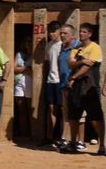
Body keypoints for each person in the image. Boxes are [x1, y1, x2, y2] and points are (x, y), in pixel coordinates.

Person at [62, 24, 105, 155]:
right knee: (74, 115)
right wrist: (81, 62)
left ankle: (102, 145)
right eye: (80, 32)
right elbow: (70, 64)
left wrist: (74, 77)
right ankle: (73, 143)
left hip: (89, 86)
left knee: (96, 116)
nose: (81, 34)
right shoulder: (77, 48)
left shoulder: (95, 47)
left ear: (90, 34)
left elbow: (89, 66)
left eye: (84, 32)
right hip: (76, 87)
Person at [41, 23, 72, 147]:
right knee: (51, 109)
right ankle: (52, 137)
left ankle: (63, 137)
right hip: (51, 80)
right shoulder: (49, 45)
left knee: (64, 109)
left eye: (54, 31)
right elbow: (47, 62)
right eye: (50, 31)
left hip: (61, 80)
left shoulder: (64, 46)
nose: (51, 34)